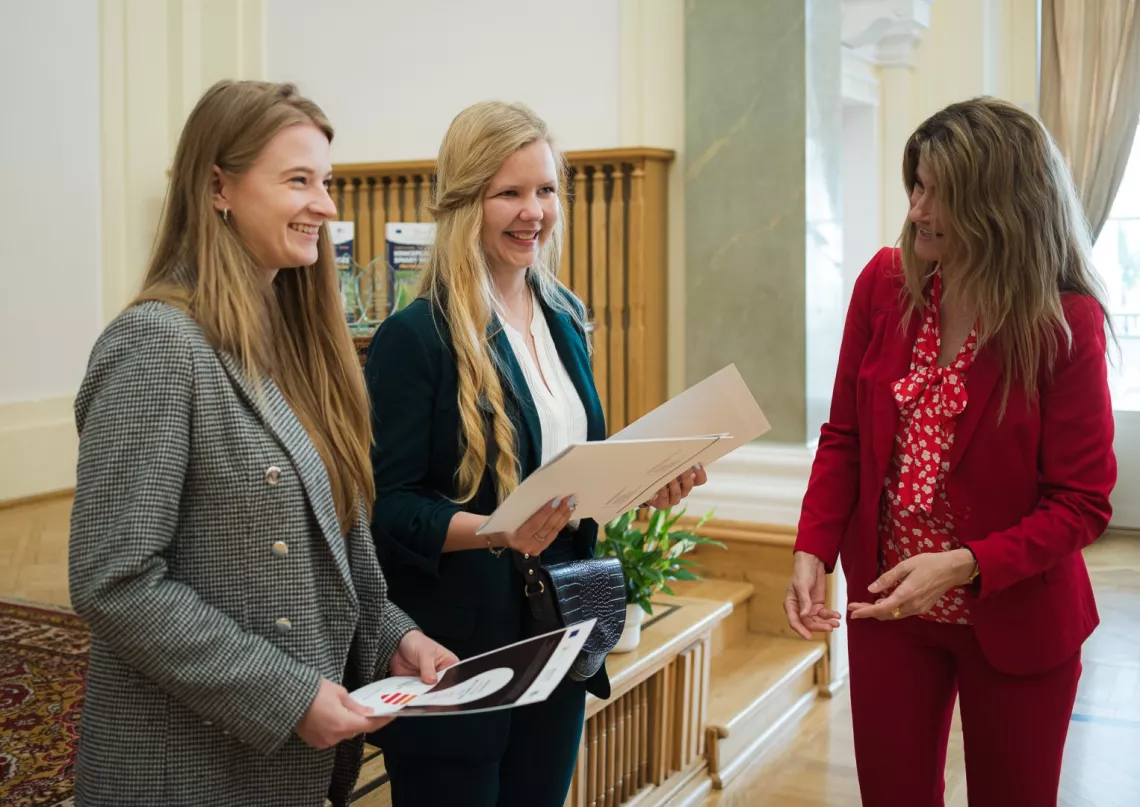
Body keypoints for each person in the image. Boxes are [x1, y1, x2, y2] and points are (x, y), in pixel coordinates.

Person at [68, 79, 456, 807]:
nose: (328, 205)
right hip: (182, 772)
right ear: (219, 186)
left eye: (328, 181)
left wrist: (395, 639)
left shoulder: (298, 348)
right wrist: (286, 694)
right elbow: (113, 579)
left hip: (282, 774)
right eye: (298, 180)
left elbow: (332, 554)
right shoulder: (156, 345)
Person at [363, 100, 706, 807]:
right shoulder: (414, 338)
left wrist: (641, 482)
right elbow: (386, 509)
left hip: (560, 630)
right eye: (510, 192)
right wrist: (496, 529)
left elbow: (574, 465)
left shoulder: (563, 314)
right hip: (461, 645)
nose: (534, 212)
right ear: (465, 202)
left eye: (546, 189)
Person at [785, 96, 1117, 806]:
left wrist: (964, 564)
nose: (915, 209)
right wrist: (811, 546)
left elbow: (1082, 503)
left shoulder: (1065, 323)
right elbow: (843, 434)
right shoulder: (883, 285)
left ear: (998, 202)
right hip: (889, 613)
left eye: (937, 191)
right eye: (915, 184)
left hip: (1018, 619)